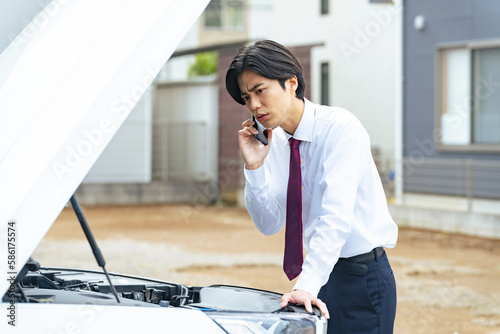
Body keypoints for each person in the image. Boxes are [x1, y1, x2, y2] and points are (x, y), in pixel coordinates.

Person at [225, 40, 398, 333]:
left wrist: (306, 285)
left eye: (260, 91)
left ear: (291, 82)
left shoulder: (341, 128)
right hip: (318, 277)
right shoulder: (274, 142)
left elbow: (336, 217)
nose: (253, 105)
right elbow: (269, 224)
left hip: (360, 279)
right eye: (246, 97)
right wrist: (254, 168)